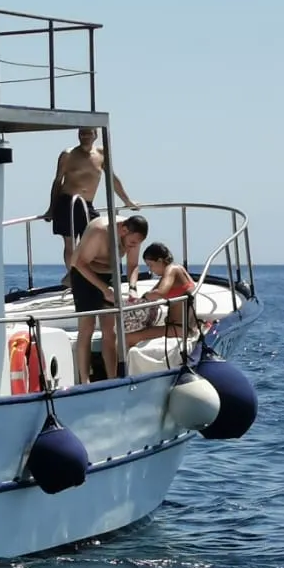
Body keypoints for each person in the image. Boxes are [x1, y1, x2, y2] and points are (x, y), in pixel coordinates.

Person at [42, 127, 138, 271]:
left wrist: (127, 201)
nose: (85, 136)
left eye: (88, 133)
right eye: (82, 133)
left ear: (95, 135)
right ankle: (72, 276)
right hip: (67, 202)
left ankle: (91, 275)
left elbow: (111, 178)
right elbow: (57, 181)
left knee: (94, 238)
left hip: (87, 204)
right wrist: (51, 208)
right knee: (70, 243)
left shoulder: (101, 154)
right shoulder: (68, 154)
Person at [69, 214, 149, 384]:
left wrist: (133, 288)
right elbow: (79, 262)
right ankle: (85, 380)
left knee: (110, 330)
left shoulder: (134, 235)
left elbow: (133, 265)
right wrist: (104, 290)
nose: (133, 246)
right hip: (85, 274)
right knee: (87, 328)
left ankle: (112, 379)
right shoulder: (100, 232)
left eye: (137, 244)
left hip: (110, 274)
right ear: (123, 230)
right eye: (132, 243)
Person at [126, 243, 200, 350]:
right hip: (182, 327)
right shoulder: (175, 270)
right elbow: (154, 293)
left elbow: (160, 293)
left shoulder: (172, 269)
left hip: (178, 329)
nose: (151, 270)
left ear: (160, 261)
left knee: (127, 338)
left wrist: (145, 297)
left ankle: (123, 366)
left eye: (150, 265)